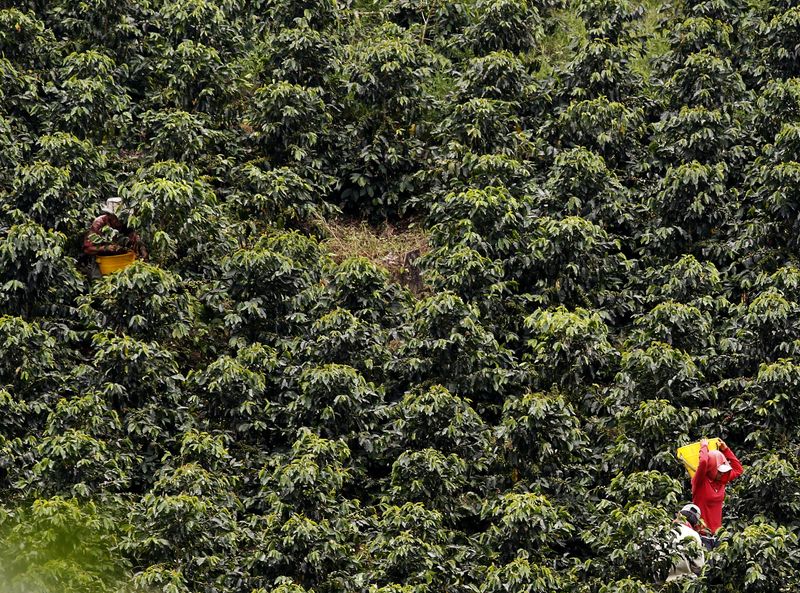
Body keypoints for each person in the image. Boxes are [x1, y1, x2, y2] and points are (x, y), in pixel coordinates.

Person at [692, 438, 743, 536]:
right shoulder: (700, 481)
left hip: (717, 533)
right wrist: (704, 447)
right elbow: (703, 462)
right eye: (719, 471)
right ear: (711, 467)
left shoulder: (721, 481)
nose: (721, 474)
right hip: (700, 533)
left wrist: (725, 449)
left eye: (723, 472)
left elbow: (738, 469)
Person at [83, 198, 148, 260]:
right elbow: (88, 248)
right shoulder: (99, 223)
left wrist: (142, 250)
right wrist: (105, 248)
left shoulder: (126, 222)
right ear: (108, 215)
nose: (119, 220)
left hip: (123, 258)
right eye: (116, 217)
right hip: (103, 260)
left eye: (121, 217)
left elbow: (135, 239)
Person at [666, 503, 705, 582]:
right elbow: (699, 565)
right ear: (695, 523)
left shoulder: (664, 530)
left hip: (660, 580)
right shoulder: (694, 535)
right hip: (682, 582)